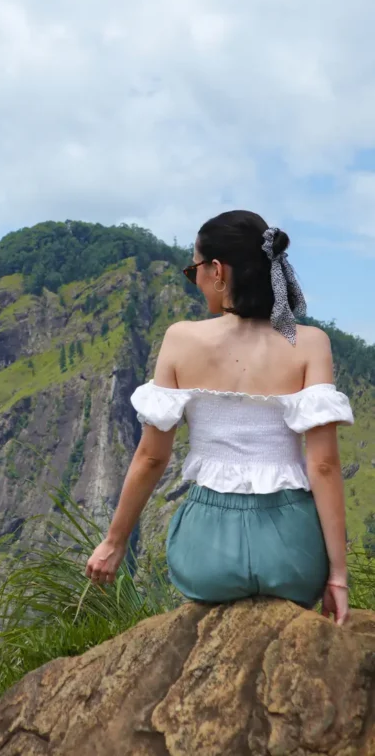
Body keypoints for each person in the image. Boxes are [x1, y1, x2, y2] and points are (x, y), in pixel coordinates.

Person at [85, 210, 354, 625]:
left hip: (206, 555)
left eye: (193, 268)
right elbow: (323, 465)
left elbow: (151, 458)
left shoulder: (180, 338)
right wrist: (336, 575)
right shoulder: (310, 343)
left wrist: (114, 542)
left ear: (216, 270)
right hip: (292, 557)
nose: (194, 279)